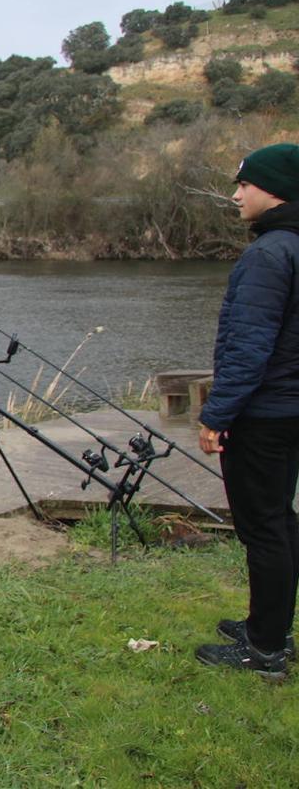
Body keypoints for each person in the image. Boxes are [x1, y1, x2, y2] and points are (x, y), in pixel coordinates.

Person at [196, 143, 299, 682]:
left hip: (264, 414)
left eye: (245, 185)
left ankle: (264, 651)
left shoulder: (269, 253)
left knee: (263, 528)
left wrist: (217, 414)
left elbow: (248, 346)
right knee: (281, 520)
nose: (236, 195)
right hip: (291, 412)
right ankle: (271, 627)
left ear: (274, 189)